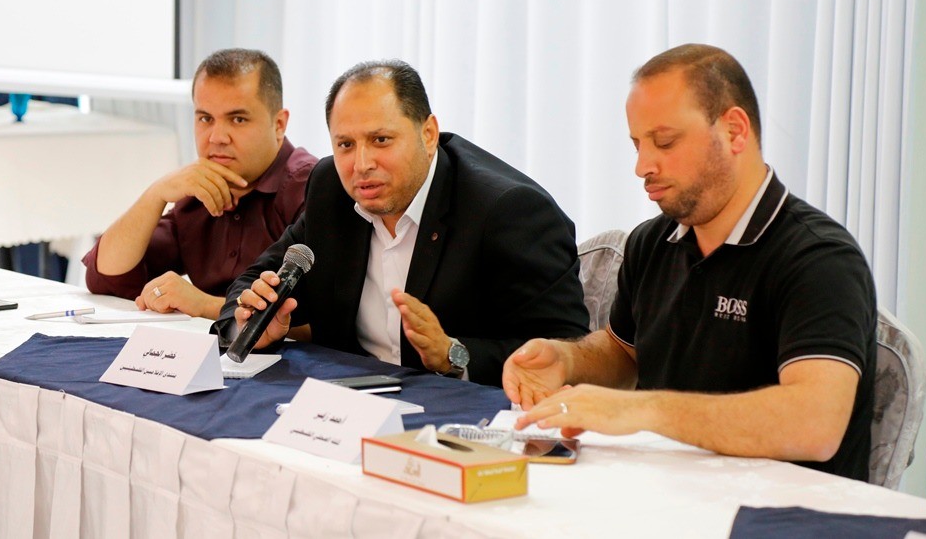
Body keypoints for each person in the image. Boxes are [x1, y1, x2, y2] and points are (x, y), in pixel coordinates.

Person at [504, 44, 877, 481]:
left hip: (781, 508)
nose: (642, 166)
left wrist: (642, 409)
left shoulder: (819, 259)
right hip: (666, 491)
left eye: (664, 141)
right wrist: (567, 360)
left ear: (735, 131)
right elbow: (625, 352)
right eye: (637, 145)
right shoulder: (652, 242)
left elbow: (815, 424)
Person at [211, 59, 588, 386]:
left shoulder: (508, 210)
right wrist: (249, 325)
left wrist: (454, 354)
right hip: (350, 406)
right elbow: (253, 281)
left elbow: (567, 350)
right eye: (345, 145)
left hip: (464, 414)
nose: (361, 165)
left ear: (428, 134)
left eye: (380, 140)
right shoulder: (331, 189)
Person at [83, 48, 317, 319]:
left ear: (279, 124)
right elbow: (106, 277)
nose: (217, 137)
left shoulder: (311, 187)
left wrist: (204, 305)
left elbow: (325, 319)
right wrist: (156, 194)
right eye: (205, 118)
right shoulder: (201, 189)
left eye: (238, 119)